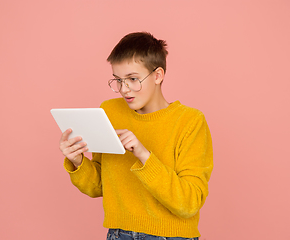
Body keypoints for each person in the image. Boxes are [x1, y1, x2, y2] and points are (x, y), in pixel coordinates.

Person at [59, 32, 213, 240]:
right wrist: (78, 161)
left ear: (158, 75)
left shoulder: (190, 121)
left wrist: (144, 155)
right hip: (118, 234)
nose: (124, 89)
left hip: (172, 237)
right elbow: (100, 186)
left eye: (132, 79)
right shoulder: (110, 111)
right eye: (118, 80)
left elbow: (189, 203)